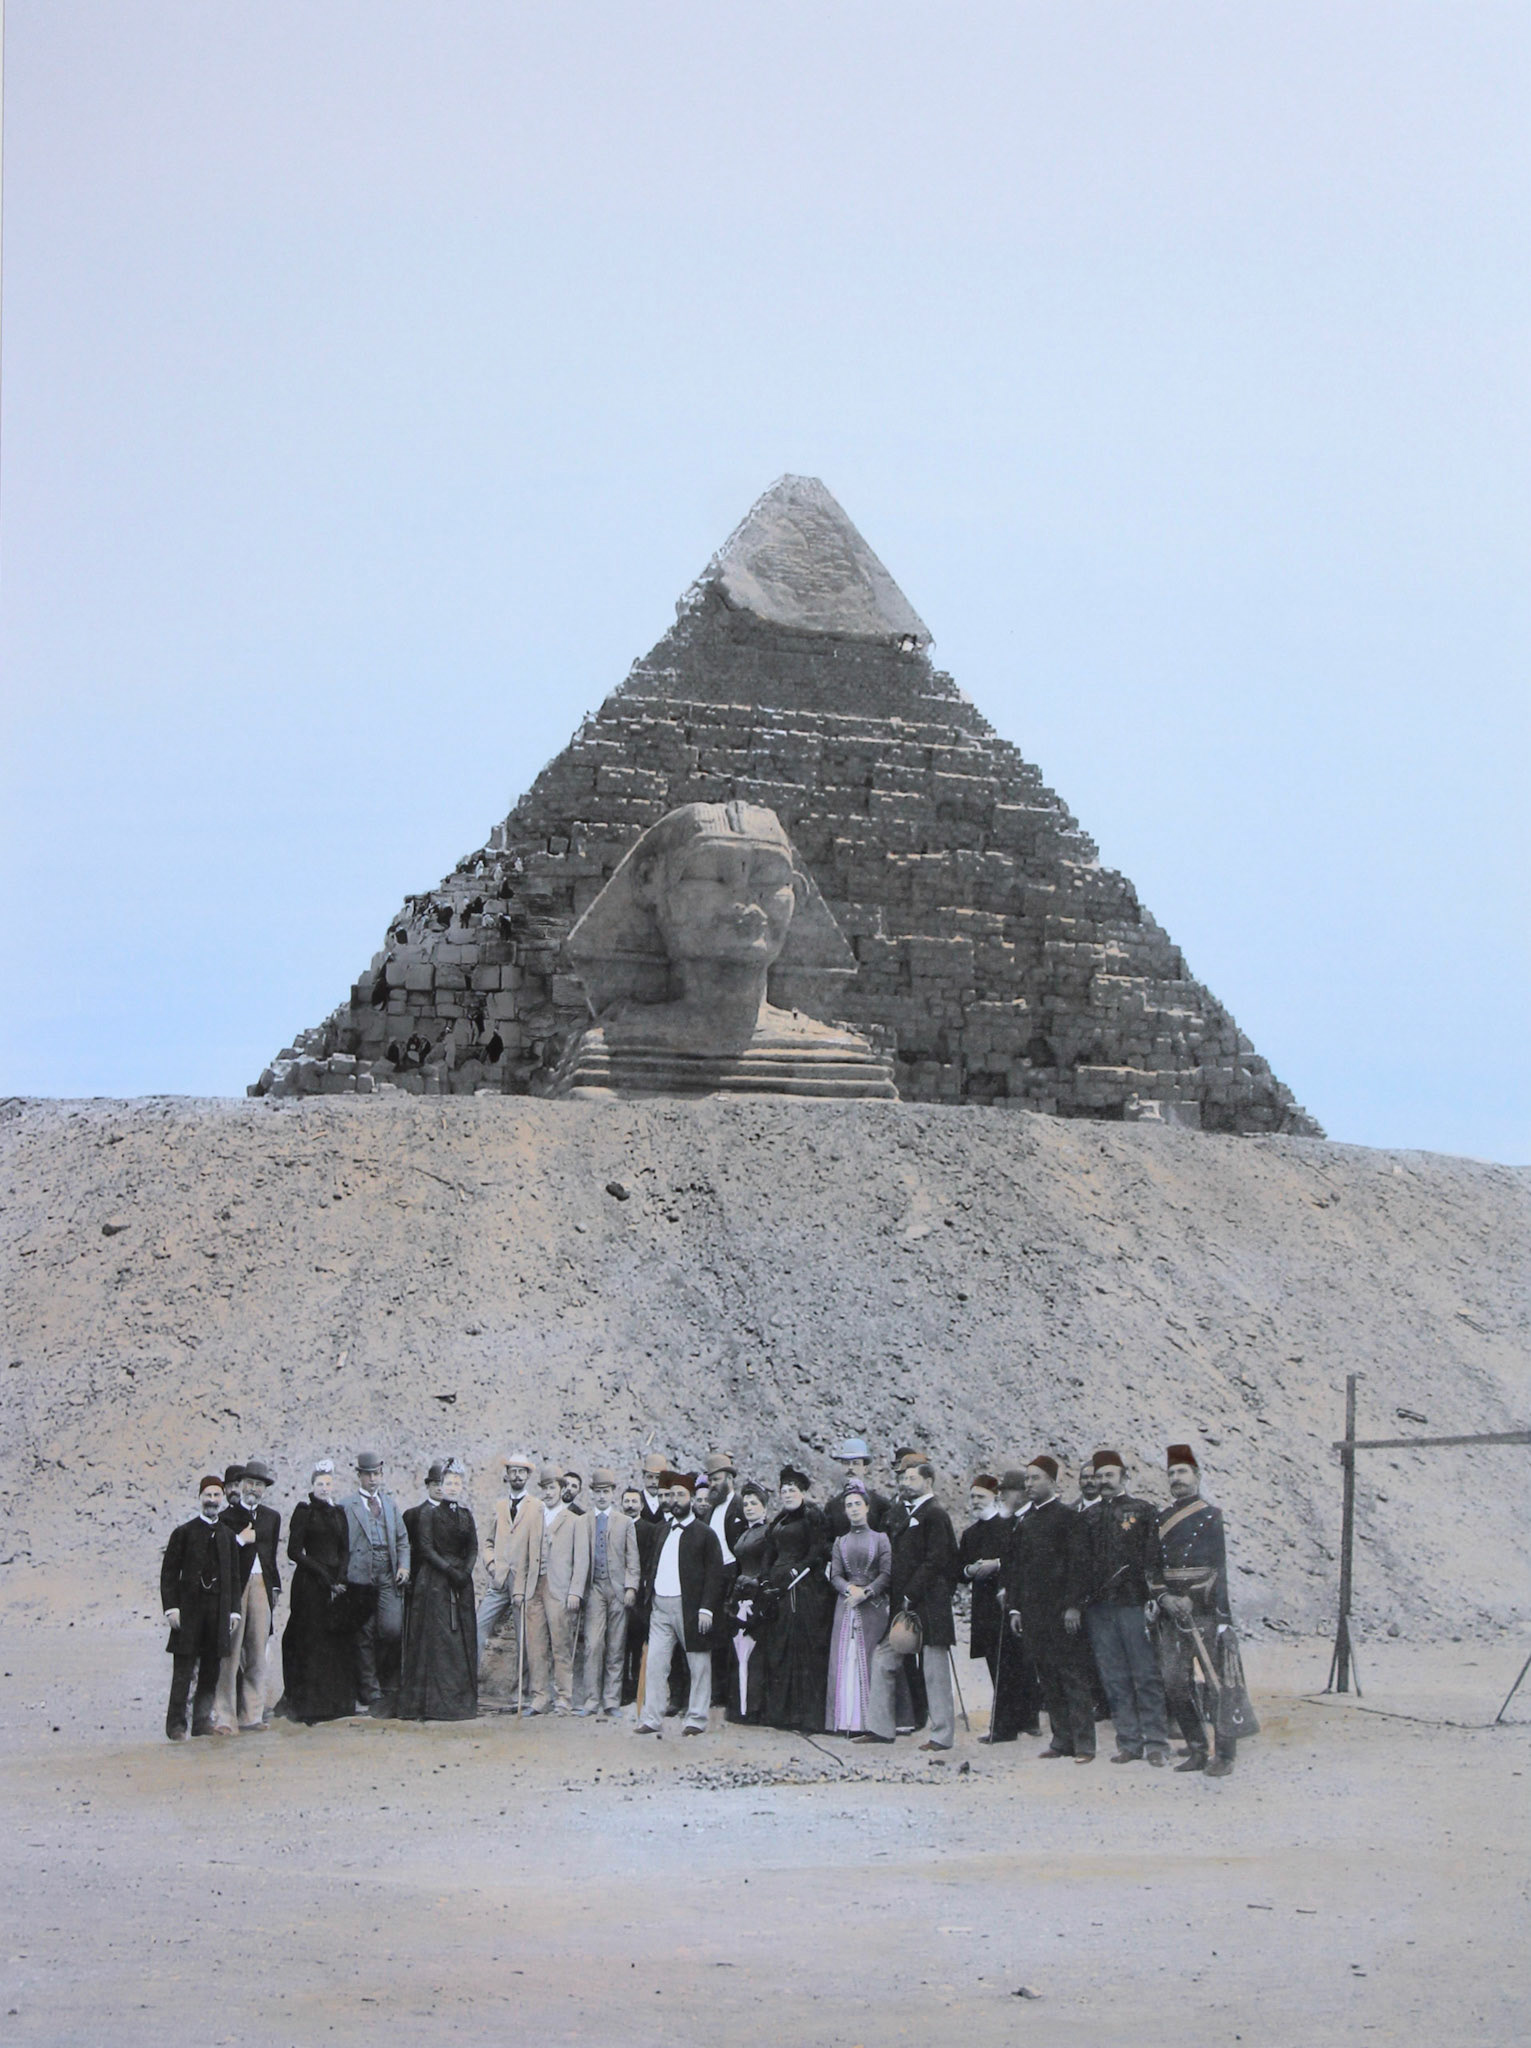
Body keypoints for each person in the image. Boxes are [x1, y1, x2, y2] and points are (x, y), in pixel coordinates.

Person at [1154, 1445, 1258, 1777]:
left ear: (1197, 1476)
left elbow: (1218, 1569)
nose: (1176, 1479)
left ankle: (1225, 1754)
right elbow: (1151, 1569)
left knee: (1217, 1683)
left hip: (1205, 1612)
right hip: (1172, 1613)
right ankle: (1197, 1748)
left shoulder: (1212, 1516)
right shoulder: (1160, 1518)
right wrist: (1164, 1599)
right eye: (1171, 1474)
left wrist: (1197, 1602)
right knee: (1174, 1683)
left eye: (1182, 1472)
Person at [860, 1459, 959, 1751]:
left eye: (912, 1478)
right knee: (883, 1659)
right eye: (903, 1478)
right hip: (904, 1603)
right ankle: (879, 1728)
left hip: (929, 1603)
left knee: (934, 1669)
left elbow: (937, 1560)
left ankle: (942, 1735)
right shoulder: (906, 1514)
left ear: (928, 1481)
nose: (904, 1483)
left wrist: (910, 1593)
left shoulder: (935, 1514)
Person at [1004, 1455, 1096, 1763]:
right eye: (1027, 1479)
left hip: (1062, 1615)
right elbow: (1016, 1570)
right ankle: (1062, 1740)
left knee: (1072, 1676)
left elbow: (1080, 1567)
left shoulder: (1071, 1518)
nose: (1029, 1484)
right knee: (1048, 1677)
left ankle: (1084, 1743)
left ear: (1053, 1482)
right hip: (1034, 1614)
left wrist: (1074, 1606)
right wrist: (1015, 1609)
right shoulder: (1025, 1522)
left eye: (1036, 1478)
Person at [1082, 1449, 1170, 1765]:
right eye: (1099, 1476)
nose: (1104, 1481)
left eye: (1109, 1475)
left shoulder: (1144, 1512)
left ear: (1123, 1477)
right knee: (1113, 1678)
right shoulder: (1088, 1517)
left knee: (1145, 1675)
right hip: (1099, 1610)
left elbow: (1153, 1560)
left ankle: (1157, 1743)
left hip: (1134, 1606)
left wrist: (1152, 1599)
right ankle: (1129, 1743)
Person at [634, 1472, 724, 1737]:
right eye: (672, 1495)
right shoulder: (662, 1530)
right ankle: (651, 1717)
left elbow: (714, 1574)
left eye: (681, 1495)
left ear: (692, 1499)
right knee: (655, 1665)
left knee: (698, 1664)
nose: (675, 1500)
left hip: (690, 1608)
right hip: (660, 1607)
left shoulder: (705, 1534)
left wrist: (706, 1608)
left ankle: (696, 1718)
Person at [398, 1458, 479, 1721]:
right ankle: (433, 1703)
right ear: (440, 1486)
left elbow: (473, 1547)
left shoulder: (466, 1515)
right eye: (448, 1483)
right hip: (434, 1582)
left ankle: (460, 1701)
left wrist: (465, 1572)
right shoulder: (428, 1515)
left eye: (457, 1483)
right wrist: (449, 1571)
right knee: (439, 1641)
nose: (453, 1487)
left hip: (461, 1584)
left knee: (460, 1640)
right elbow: (425, 1548)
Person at [160, 1475, 240, 1741]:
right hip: (190, 1611)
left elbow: (234, 1577)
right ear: (200, 1498)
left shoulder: (228, 1536)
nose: (212, 1500)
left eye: (217, 1495)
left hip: (217, 1611)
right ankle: (176, 1725)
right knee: (183, 1671)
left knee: (210, 1669)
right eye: (208, 1495)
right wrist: (171, 1608)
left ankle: (202, 1721)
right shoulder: (184, 1533)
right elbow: (169, 1573)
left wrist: (234, 1611)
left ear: (222, 1498)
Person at [280, 1461, 356, 1724]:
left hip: (337, 1584)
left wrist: (341, 1577)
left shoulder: (339, 1512)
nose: (324, 1488)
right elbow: (294, 1551)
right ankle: (308, 1706)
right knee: (309, 1641)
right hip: (310, 1584)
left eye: (328, 1483)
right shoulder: (304, 1512)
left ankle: (334, 1704)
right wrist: (325, 1577)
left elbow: (345, 1549)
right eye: (319, 1484)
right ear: (312, 1486)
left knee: (334, 1643)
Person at [761, 1465, 835, 1733]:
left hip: (803, 1589)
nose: (788, 1494)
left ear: (803, 1492)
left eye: (793, 1490)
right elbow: (770, 1550)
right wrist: (767, 1578)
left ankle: (807, 1717)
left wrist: (799, 1568)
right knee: (780, 1647)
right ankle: (782, 1714)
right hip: (779, 1590)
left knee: (802, 1649)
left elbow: (818, 1549)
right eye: (784, 1490)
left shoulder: (812, 1517)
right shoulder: (779, 1520)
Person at [516, 1465, 591, 1714]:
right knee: (535, 1645)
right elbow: (524, 1556)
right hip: (533, 1587)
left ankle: (563, 1698)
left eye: (552, 1488)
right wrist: (519, 1589)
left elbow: (582, 1561)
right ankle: (539, 1697)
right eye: (544, 1489)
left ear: (561, 1489)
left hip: (559, 1589)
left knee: (561, 1645)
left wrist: (575, 1592)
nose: (547, 1493)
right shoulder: (534, 1518)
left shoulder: (575, 1521)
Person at [213, 1459, 282, 1733]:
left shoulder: (272, 1517)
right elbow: (220, 1555)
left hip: (262, 1586)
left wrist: (274, 1586)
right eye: (249, 1483)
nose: (253, 1489)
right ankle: (225, 1717)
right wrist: (239, 1539)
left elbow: (272, 1556)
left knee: (257, 1652)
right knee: (229, 1652)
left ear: (264, 1489)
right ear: (240, 1486)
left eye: (259, 1484)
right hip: (235, 1587)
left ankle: (251, 1715)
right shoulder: (227, 1518)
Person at [343, 1452, 411, 1716]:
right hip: (360, 1576)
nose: (373, 1479)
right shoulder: (347, 1506)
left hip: (387, 1573)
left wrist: (403, 1566)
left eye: (377, 1474)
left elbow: (403, 1540)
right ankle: (370, 1690)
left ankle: (386, 1682)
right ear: (359, 1476)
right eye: (368, 1474)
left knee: (392, 1629)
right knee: (363, 1633)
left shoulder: (390, 1505)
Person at [825, 1481, 892, 1733]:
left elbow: (886, 1573)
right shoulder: (840, 1542)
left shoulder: (881, 1539)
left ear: (867, 1508)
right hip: (845, 1605)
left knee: (870, 1658)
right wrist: (848, 1590)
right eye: (848, 1505)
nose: (853, 1509)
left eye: (857, 1505)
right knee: (845, 1659)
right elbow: (835, 1575)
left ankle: (869, 1723)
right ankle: (845, 1721)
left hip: (872, 1605)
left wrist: (866, 1591)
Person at [576, 1468, 640, 1717]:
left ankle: (611, 1701)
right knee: (593, 1645)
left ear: (613, 1493)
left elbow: (632, 1559)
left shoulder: (624, 1522)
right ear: (592, 1494)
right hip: (594, 1589)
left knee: (616, 1645)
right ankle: (591, 1701)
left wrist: (631, 1587)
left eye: (606, 1492)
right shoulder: (584, 1521)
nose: (602, 1496)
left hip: (618, 1589)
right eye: (598, 1492)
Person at [986, 1469, 1043, 1742]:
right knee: (1008, 1663)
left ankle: (1026, 1720)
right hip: (1009, 1602)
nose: (1002, 1496)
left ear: (1021, 1493)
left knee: (1026, 1662)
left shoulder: (1033, 1518)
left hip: (1030, 1601)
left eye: (1006, 1491)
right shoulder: (1007, 1521)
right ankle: (1008, 1726)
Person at [477, 1451, 536, 1661]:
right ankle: (470, 1684)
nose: (517, 1475)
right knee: (478, 1626)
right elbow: (488, 1542)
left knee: (525, 1638)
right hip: (499, 1580)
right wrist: (492, 1565)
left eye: (522, 1471)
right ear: (507, 1475)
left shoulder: (536, 1507)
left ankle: (520, 1692)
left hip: (523, 1582)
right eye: (513, 1471)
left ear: (528, 1475)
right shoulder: (499, 1507)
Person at [723, 1482, 772, 1722]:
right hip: (741, 1592)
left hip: (756, 1593)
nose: (749, 1507)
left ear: (764, 1508)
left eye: (754, 1503)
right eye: (746, 1504)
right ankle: (739, 1707)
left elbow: (766, 1567)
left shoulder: (767, 1533)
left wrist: (757, 1592)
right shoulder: (744, 1533)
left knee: (755, 1650)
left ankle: (753, 1708)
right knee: (740, 1648)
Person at [824, 1438, 893, 1537]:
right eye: (846, 1463)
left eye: (856, 1463)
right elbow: (826, 1542)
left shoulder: (881, 1505)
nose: (850, 1468)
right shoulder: (831, 1507)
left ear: (865, 1469)